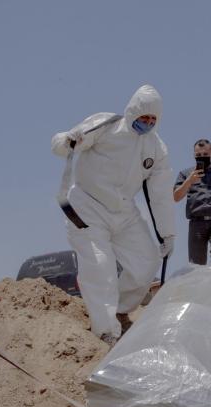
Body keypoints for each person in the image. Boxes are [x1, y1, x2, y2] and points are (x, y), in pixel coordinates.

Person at [51, 85, 175, 342]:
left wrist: (167, 234)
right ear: (133, 112)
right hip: (88, 207)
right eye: (144, 117)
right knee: (100, 266)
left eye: (153, 119)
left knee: (147, 262)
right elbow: (65, 144)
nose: (148, 123)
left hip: (124, 212)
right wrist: (65, 140)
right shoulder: (106, 124)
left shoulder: (156, 148)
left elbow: (160, 193)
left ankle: (117, 308)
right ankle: (106, 331)